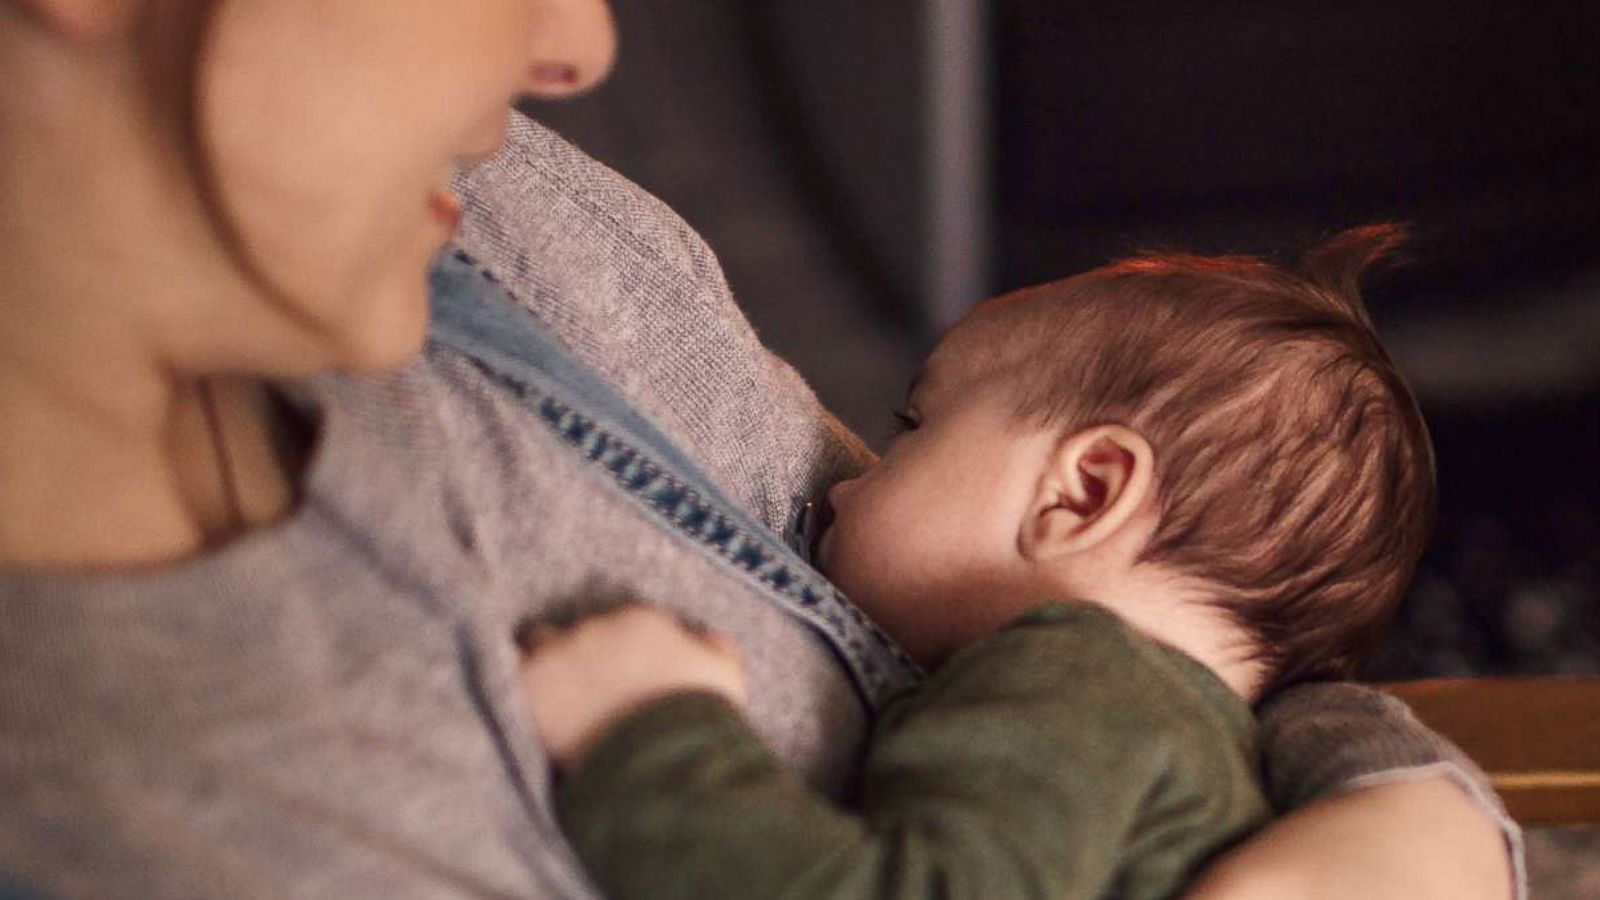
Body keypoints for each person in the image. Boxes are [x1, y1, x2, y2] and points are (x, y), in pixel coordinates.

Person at [0, 1, 1520, 898]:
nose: (583, 44)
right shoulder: (139, 789)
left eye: (911, 427)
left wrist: (1413, 821)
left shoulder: (484, 210)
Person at [516, 228, 1441, 900]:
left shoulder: (1079, 684)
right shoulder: (1187, 740)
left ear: (1083, 494)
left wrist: (646, 730)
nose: (842, 485)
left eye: (913, 427)